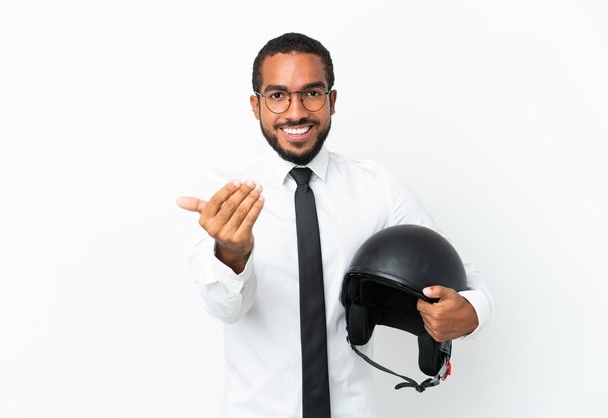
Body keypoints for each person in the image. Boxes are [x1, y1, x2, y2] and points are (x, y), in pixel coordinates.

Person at [178, 32, 493, 418]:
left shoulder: (378, 187)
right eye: (277, 96)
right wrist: (232, 254)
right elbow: (225, 308)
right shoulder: (222, 196)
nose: (295, 112)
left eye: (312, 93)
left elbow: (464, 279)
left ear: (332, 101)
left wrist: (471, 312)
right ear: (256, 106)